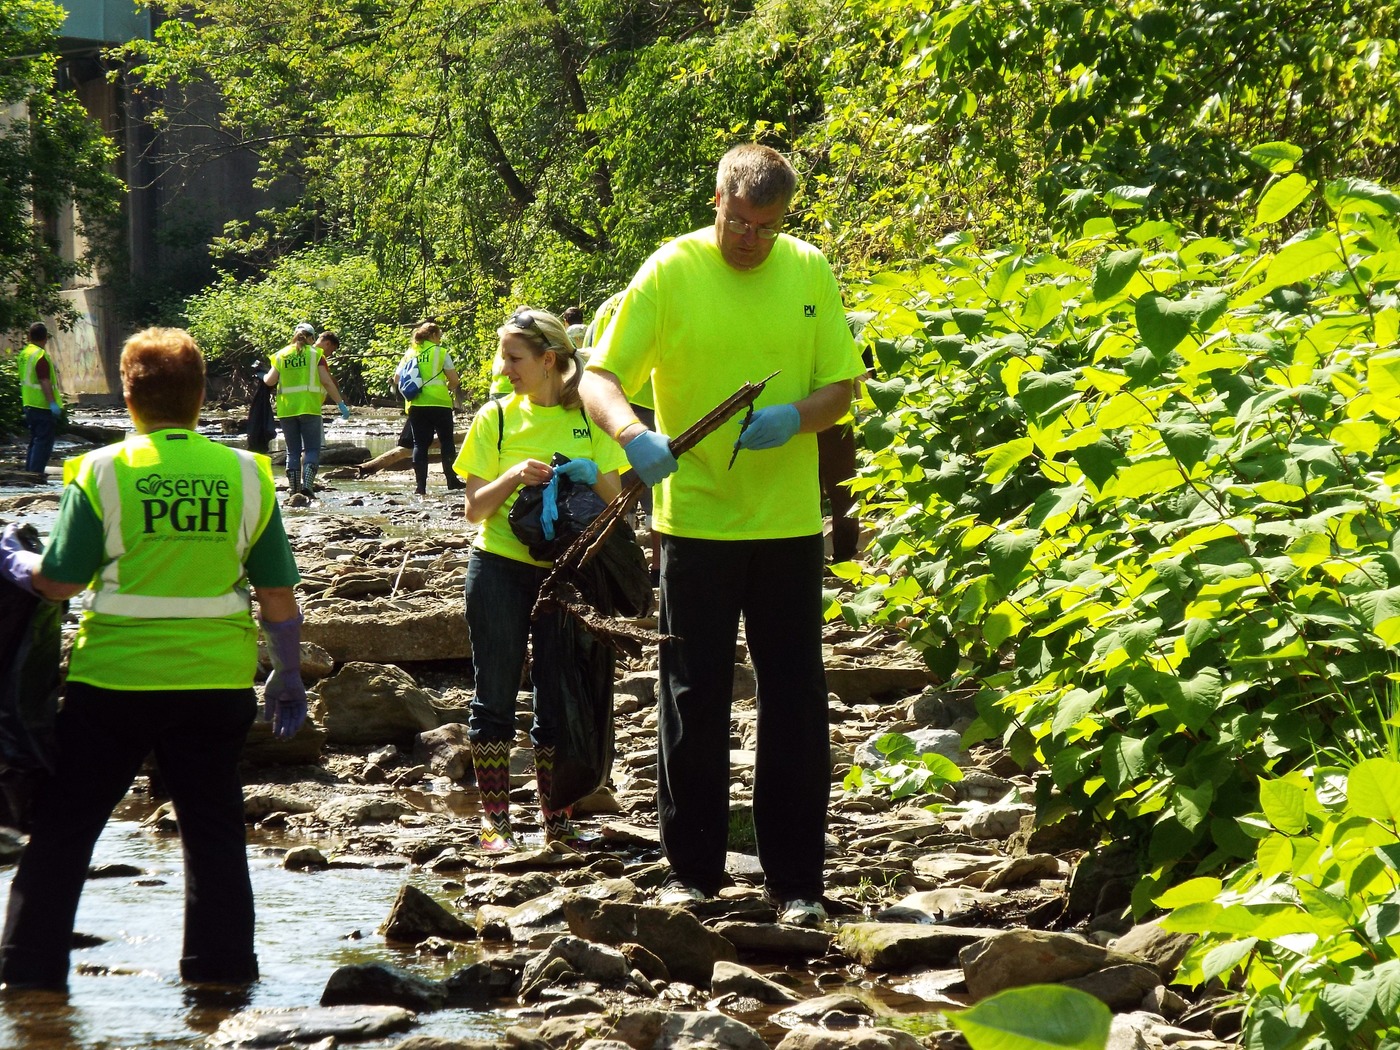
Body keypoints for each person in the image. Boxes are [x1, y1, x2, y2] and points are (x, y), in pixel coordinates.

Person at [579, 143, 865, 927]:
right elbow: (599, 377)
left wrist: (797, 418)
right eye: (740, 223)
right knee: (693, 696)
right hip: (695, 524)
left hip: (785, 527)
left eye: (766, 227)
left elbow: (841, 388)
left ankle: (797, 882)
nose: (750, 240)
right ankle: (693, 873)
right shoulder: (671, 271)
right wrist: (633, 433)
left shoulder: (807, 269)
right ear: (716, 201)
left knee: (796, 701)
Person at [0, 326, 307, 990]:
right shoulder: (246, 472)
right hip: (215, 685)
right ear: (199, 397)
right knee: (215, 831)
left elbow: (59, 583)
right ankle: (220, 978)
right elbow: (277, 592)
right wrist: (288, 671)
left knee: (65, 830)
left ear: (130, 395)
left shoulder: (101, 471)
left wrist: (13, 560)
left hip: (113, 683)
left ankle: (29, 979)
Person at [453, 307, 627, 851]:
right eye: (504, 356)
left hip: (566, 575)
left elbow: (616, 501)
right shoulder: (496, 418)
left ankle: (558, 816)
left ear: (548, 360)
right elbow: (475, 510)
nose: (504, 367)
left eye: (513, 357)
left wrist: (585, 471)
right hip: (499, 567)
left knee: (559, 696)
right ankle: (496, 821)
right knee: (494, 695)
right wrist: (511, 475)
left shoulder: (590, 419)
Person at [262, 322, 349, 499]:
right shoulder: (316, 354)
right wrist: (340, 403)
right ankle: (307, 487)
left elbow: (269, 381)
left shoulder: (282, 355)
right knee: (311, 449)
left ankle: (294, 489)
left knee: (292, 451)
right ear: (311, 338)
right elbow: (326, 381)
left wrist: (260, 374)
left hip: (287, 409)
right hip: (309, 407)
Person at [400, 321, 465, 496]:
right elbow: (454, 380)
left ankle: (420, 487)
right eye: (440, 336)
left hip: (417, 404)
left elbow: (398, 377)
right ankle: (452, 481)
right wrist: (448, 388)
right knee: (446, 442)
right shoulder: (441, 352)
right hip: (440, 403)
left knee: (419, 444)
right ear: (434, 335)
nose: (440, 340)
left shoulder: (410, 353)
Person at [17, 322, 63, 479]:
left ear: (29, 336)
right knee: (43, 442)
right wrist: (52, 403)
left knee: (35, 440)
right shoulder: (40, 356)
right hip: (42, 405)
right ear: (45, 338)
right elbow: (44, 381)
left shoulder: (24, 354)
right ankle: (36, 474)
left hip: (28, 403)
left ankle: (29, 473)